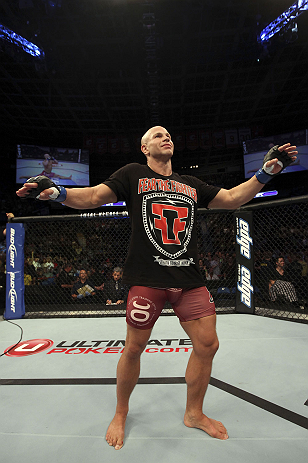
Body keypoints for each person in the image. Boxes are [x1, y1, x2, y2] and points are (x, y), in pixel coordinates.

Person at [16, 126, 297, 449]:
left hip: (188, 279)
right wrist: (59, 193)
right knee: (134, 348)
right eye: (158, 135)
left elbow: (233, 199)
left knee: (208, 345)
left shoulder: (191, 184)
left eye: (169, 135)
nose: (167, 137)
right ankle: (121, 412)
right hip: (147, 280)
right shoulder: (133, 174)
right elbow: (93, 197)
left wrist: (266, 172)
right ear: (144, 147)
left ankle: (194, 413)